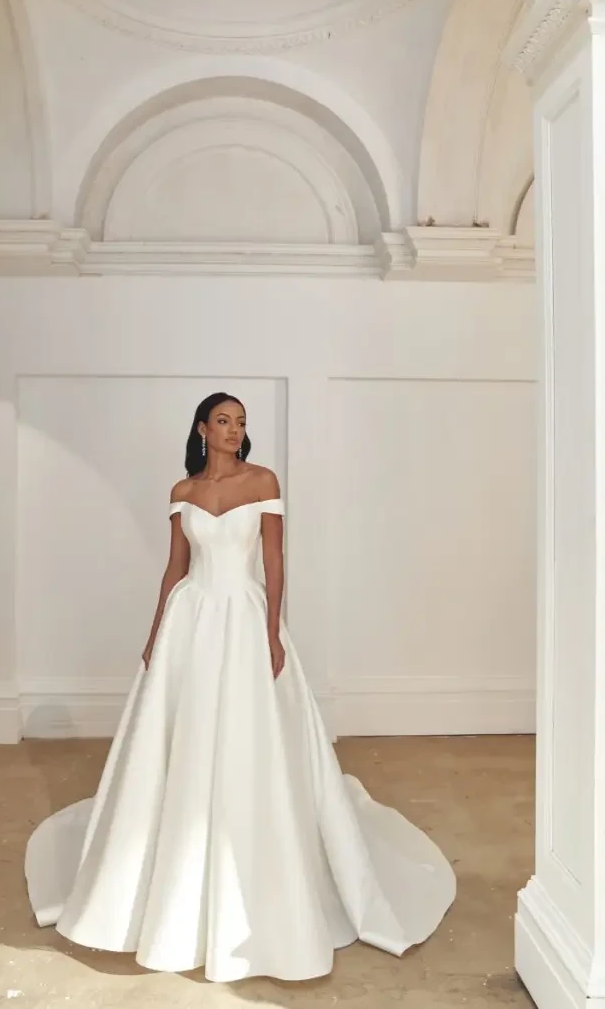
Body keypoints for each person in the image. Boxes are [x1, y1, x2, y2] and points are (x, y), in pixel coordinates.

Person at [25, 392, 456, 983]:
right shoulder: (183, 492)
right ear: (203, 429)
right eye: (223, 421)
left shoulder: (264, 481)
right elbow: (175, 567)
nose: (234, 430)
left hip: (244, 617)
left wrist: (274, 630)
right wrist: (155, 636)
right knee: (186, 740)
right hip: (191, 621)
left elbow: (275, 564)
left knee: (249, 742)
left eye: (241, 422)